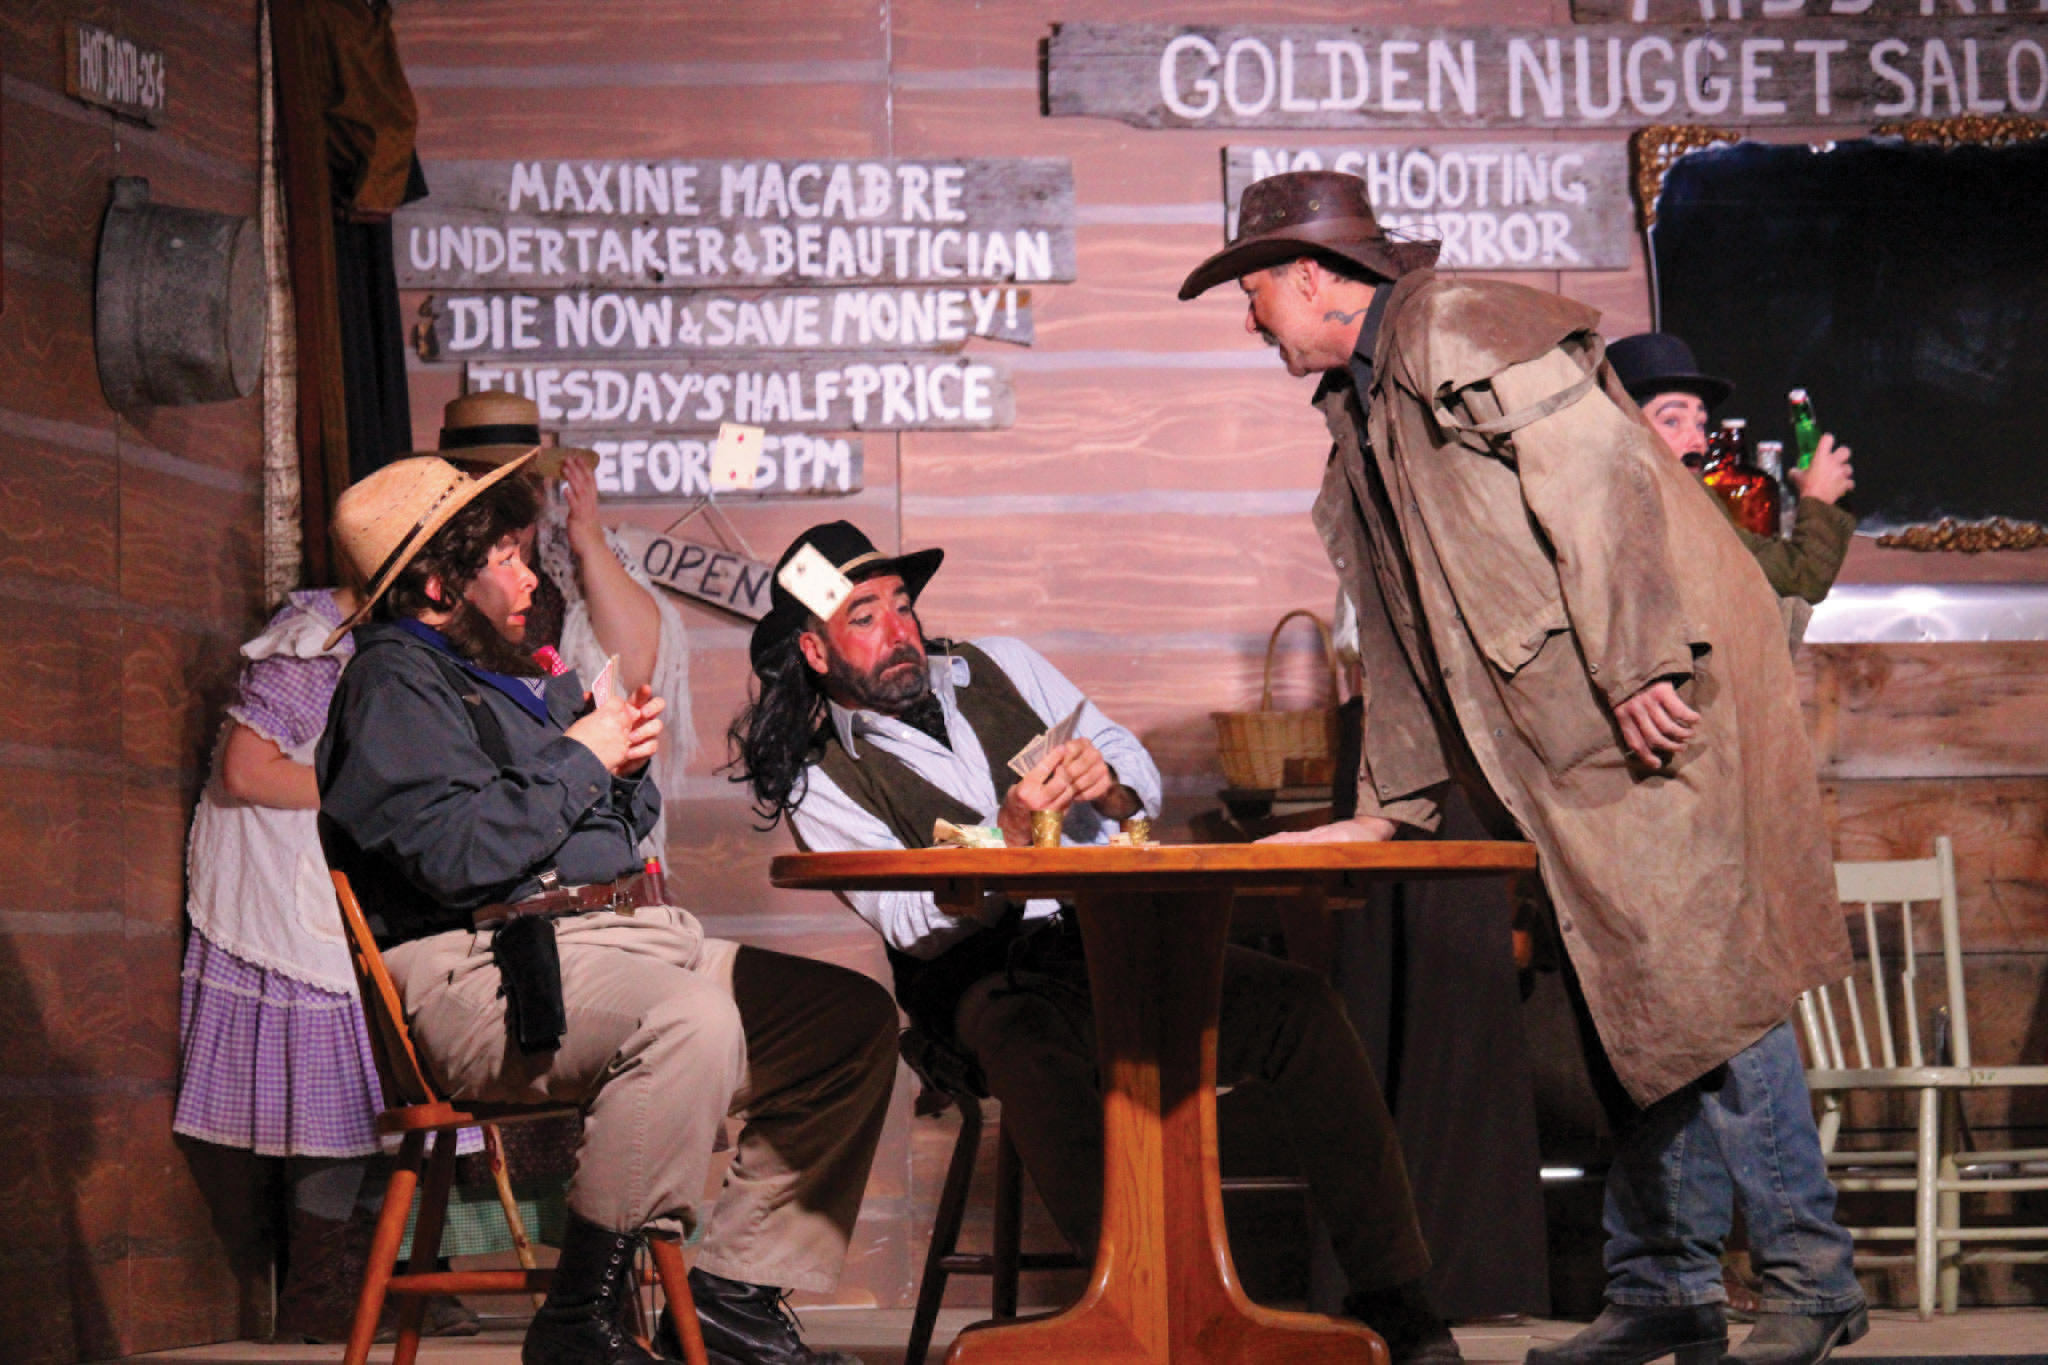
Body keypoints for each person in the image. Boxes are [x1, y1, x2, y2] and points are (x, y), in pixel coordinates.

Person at [1179, 171, 1865, 1365]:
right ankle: (1664, 1281)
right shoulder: (1361, 412)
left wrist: (1641, 657)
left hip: (1653, 684)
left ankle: (1810, 1275)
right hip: (1566, 731)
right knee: (1625, 991)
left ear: (1304, 275)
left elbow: (1597, 484)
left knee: (1710, 971)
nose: (1247, 322)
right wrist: (1385, 811)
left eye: (1250, 295)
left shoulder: (1455, 324)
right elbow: (1396, 626)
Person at [727, 521, 1462, 1365]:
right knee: (1026, 1043)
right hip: (986, 981)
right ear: (817, 654)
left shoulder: (999, 663)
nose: (900, 630)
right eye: (865, 615)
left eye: (901, 603)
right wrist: (1004, 842)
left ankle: (1398, 1299)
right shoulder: (818, 773)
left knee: (1301, 1008)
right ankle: (1140, 1312)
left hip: (1115, 938)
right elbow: (909, 926)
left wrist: (1108, 786)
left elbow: (1132, 766)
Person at [317, 456, 898, 1365]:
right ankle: (576, 1321)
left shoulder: (509, 675)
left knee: (849, 1020)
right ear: (437, 584)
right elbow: (459, 856)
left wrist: (617, 770)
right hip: (481, 971)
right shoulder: (394, 684)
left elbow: (588, 838)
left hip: (614, 940)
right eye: (503, 559)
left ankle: (734, 1298)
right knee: (688, 1021)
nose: (528, 576)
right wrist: (579, 759)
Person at [171, 585, 479, 1342]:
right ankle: (319, 1287)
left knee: (384, 1082)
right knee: (338, 1093)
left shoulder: (390, 646)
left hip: (339, 877)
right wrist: (368, 794)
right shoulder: (315, 643)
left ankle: (373, 1275)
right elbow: (246, 768)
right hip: (286, 883)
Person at [430, 389, 696, 858]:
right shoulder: (429, 571)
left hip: (576, 789)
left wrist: (588, 539)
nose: (506, 505)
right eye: (488, 486)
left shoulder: (563, 562)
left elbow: (637, 665)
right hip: (483, 800)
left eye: (521, 485)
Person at [1608, 332, 1857, 606]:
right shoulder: (1622, 511)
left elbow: (1791, 575)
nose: (1698, 442)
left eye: (1700, 423)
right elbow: (1799, 581)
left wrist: (1819, 497)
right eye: (1672, 421)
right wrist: (1818, 498)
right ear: (1622, 428)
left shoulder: (1690, 498)